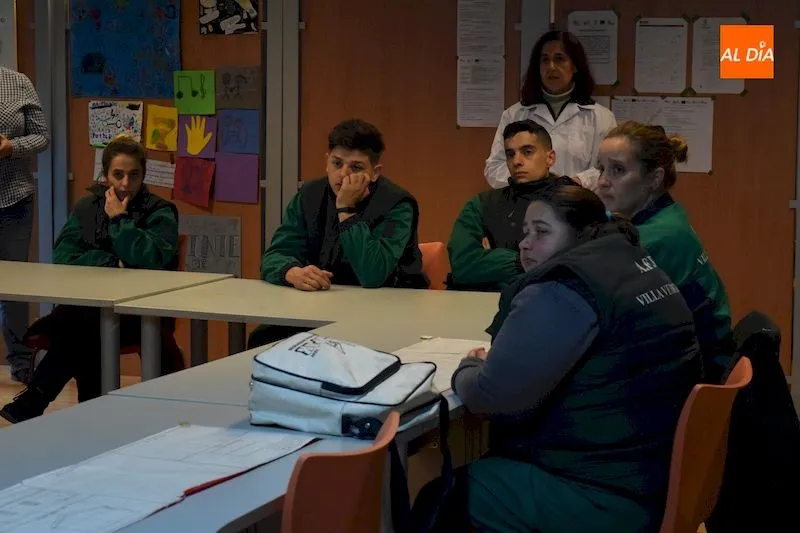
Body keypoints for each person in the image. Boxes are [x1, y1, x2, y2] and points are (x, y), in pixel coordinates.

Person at [412, 184, 701, 532]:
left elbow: (490, 396)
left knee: (440, 497)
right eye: (525, 232)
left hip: (602, 496)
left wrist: (468, 368)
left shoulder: (567, 286)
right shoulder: (632, 262)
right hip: (650, 477)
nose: (525, 243)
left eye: (542, 232)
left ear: (581, 232)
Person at [0, 136, 185, 424]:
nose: (125, 184)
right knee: (85, 325)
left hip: (140, 314)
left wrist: (119, 220)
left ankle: (38, 399)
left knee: (80, 329)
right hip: (90, 310)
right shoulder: (87, 207)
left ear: (143, 175)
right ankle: (84, 410)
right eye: (118, 174)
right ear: (106, 175)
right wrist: (116, 263)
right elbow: (65, 256)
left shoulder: (160, 211)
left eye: (134, 175)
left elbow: (151, 257)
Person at [249, 119, 428, 348]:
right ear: (326, 162)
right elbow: (274, 256)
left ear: (374, 173)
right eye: (337, 163)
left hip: (384, 313)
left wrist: (346, 210)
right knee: (263, 339)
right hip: (321, 309)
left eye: (356, 167)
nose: (342, 174)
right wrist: (291, 272)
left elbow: (373, 274)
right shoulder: (309, 196)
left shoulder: (397, 204)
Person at [596, 120, 733, 382]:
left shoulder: (656, 236)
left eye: (618, 170)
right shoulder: (667, 215)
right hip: (687, 358)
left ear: (654, 178)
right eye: (601, 169)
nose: (602, 181)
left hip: (695, 372)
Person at [447, 119, 572, 291]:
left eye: (527, 152)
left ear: (550, 158)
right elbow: (462, 266)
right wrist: (523, 262)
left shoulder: (573, 202)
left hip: (552, 298)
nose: (516, 161)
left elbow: (573, 266)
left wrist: (491, 260)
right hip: (481, 300)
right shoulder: (482, 204)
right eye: (510, 154)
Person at [484, 30, 616, 192]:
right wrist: (531, 181)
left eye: (560, 59)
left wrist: (575, 182)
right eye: (545, 60)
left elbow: (608, 169)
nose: (551, 67)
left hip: (578, 201)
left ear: (575, 66)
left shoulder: (601, 117)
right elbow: (494, 168)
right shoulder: (514, 114)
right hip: (526, 202)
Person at [0, 66, 50, 384]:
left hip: (14, 199)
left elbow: (43, 137)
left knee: (14, 288)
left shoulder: (18, 82)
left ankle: (21, 362)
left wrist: (11, 148)